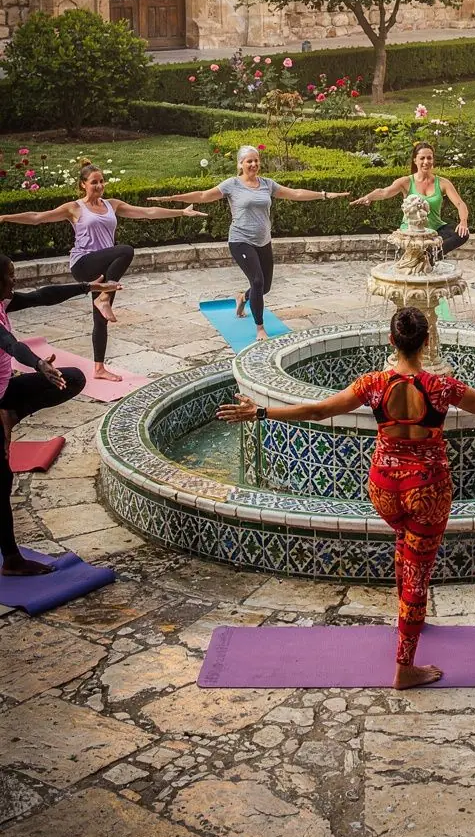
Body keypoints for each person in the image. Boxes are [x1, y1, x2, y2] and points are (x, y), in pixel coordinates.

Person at [217, 305, 475, 689]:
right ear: (426, 342)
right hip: (427, 491)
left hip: (383, 488)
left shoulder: (371, 384)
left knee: (404, 547)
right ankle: (405, 666)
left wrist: (262, 413)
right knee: (418, 580)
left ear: (392, 341)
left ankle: (406, 618)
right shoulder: (441, 387)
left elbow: (319, 412)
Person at [0, 165, 203, 382]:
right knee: (125, 250)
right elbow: (38, 217)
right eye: (94, 182)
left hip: (106, 269)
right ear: (83, 185)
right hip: (84, 264)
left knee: (101, 319)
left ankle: (99, 368)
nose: (99, 186)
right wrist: (5, 217)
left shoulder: (112, 205)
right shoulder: (74, 208)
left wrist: (182, 212)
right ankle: (104, 296)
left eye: (102, 181)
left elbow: (148, 213)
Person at [0, 253, 121, 576]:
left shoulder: (3, 302)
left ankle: (11, 412)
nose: (14, 280)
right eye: (9, 275)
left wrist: (87, 287)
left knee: (74, 379)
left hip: (5, 394)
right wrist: (39, 364)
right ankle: (11, 559)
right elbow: (10, 344)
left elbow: (41, 296)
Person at [154, 145, 350, 342]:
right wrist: (174, 198)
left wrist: (323, 195)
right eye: (249, 161)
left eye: (256, 160)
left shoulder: (267, 184)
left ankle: (242, 298)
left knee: (264, 287)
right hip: (240, 240)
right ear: (241, 164)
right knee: (257, 281)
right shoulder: (232, 185)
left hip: (263, 241)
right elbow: (204, 195)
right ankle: (260, 328)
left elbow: (296, 193)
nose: (254, 164)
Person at [350, 141, 469, 255]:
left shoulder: (443, 183)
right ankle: (429, 256)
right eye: (422, 158)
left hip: (435, 229)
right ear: (415, 160)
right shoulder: (406, 182)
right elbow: (384, 192)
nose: (426, 161)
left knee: (463, 234)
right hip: (412, 229)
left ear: (433, 160)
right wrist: (368, 197)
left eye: (429, 158)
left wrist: (463, 222)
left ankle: (432, 255)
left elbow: (460, 204)